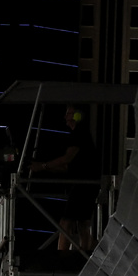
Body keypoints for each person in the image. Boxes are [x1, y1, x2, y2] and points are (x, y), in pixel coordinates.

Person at [29, 105, 99, 250]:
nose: (65, 116)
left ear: (77, 116)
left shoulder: (78, 133)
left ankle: (63, 256)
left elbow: (67, 159)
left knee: (65, 222)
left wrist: (43, 166)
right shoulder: (81, 134)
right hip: (87, 184)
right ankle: (85, 253)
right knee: (82, 223)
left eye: (69, 113)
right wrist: (44, 167)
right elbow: (67, 167)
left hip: (83, 185)